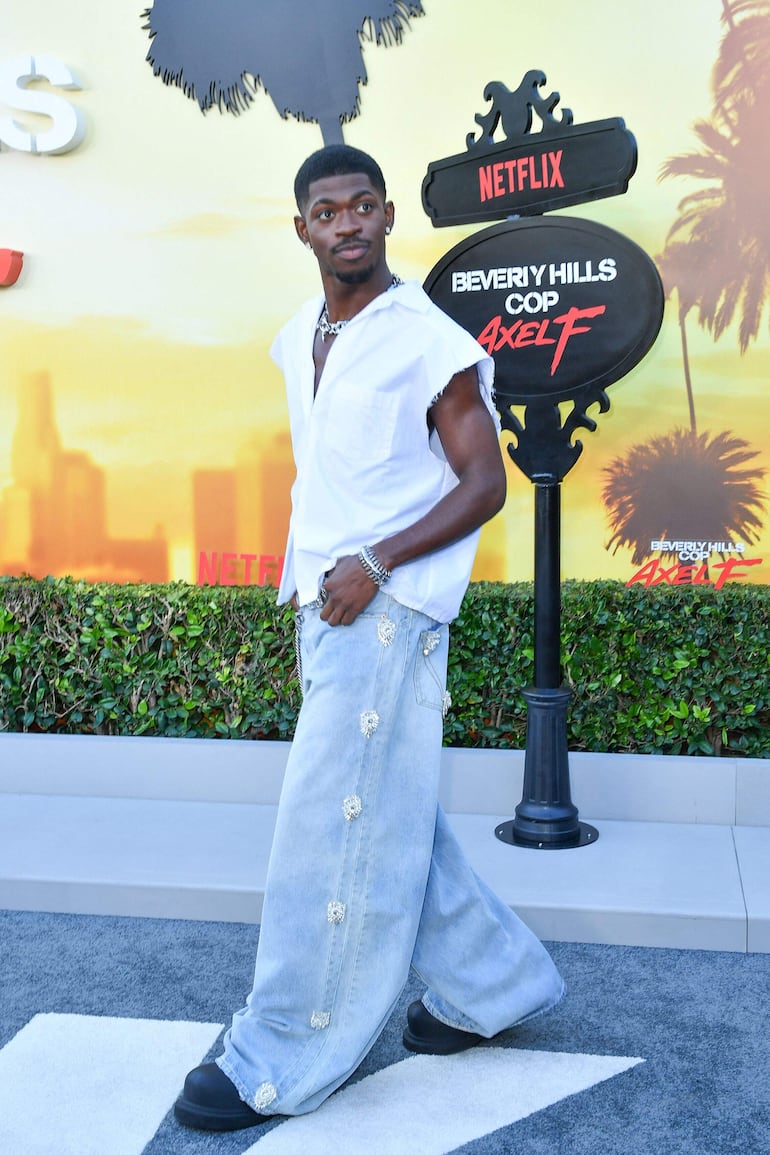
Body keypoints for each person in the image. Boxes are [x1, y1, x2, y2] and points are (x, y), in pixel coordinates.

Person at [174, 144, 564, 1132]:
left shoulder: (424, 340)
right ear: (301, 227)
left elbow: (484, 484)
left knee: (329, 828)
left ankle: (292, 1045)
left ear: (387, 216)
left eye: (361, 207)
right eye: (325, 211)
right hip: (329, 604)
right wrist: (319, 582)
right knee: (387, 816)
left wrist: (377, 566)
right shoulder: (295, 336)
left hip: (384, 611)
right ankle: (499, 986)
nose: (345, 223)